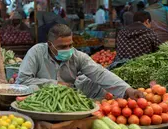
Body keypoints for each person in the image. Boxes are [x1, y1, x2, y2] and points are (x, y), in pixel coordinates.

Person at [16, 24, 144, 99]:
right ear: (50, 44)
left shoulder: (77, 56)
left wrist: (128, 90)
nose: (68, 49)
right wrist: (55, 84)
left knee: (97, 83)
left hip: (69, 95)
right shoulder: (36, 52)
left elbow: (100, 73)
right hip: (41, 98)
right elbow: (22, 80)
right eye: (62, 47)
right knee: (30, 88)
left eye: (70, 45)